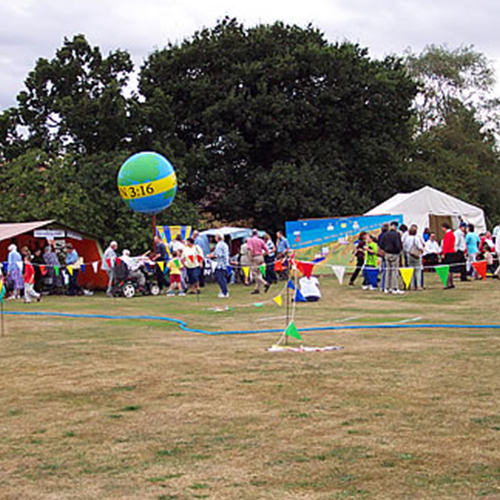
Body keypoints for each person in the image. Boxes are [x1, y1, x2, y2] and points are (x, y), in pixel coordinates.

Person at [246, 229, 270, 295]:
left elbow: (250, 249)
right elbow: (267, 250)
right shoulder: (261, 240)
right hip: (261, 257)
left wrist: (251, 257)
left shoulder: (250, 240)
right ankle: (257, 289)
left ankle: (265, 283)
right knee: (259, 273)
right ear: (257, 234)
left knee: (254, 273)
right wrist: (263, 254)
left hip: (255, 257)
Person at [383, 221, 404, 294]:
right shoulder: (396, 235)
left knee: (388, 271)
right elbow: (398, 244)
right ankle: (395, 287)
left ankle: (387, 288)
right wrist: (399, 251)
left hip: (387, 253)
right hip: (394, 254)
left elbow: (381, 244)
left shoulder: (385, 234)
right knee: (394, 271)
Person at [209, 232, 230, 298]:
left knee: (220, 278)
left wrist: (212, 256)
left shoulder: (219, 245)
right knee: (222, 278)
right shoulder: (225, 244)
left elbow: (219, 255)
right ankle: (224, 291)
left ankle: (224, 292)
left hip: (220, 264)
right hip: (225, 263)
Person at [405, 225, 424, 290]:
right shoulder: (416, 238)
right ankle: (418, 285)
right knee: (418, 270)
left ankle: (412, 285)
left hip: (409, 255)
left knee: (411, 270)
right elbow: (420, 247)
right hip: (416, 255)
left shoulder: (406, 238)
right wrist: (422, 251)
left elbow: (404, 247)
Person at [441, 222, 455, 289]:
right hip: (452, 252)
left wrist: (444, 253)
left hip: (448, 253)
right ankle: (451, 283)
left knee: (448, 269)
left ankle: (448, 283)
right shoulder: (452, 234)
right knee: (451, 269)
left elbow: (446, 245)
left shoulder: (448, 234)